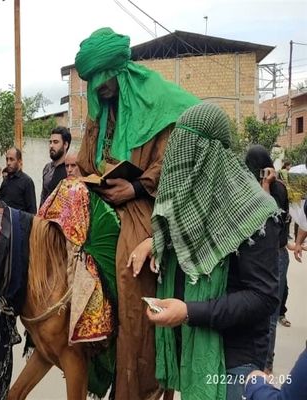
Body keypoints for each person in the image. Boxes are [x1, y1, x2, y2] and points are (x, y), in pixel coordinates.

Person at [74, 26, 200, 400]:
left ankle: (140, 387)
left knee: (131, 277)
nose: (101, 88)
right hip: (104, 200)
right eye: (94, 83)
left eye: (105, 79)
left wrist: (135, 186)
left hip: (147, 205)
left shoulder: (157, 98)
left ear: (119, 70)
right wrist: (93, 178)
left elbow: (173, 160)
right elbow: (86, 158)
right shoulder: (101, 108)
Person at [128, 103, 280, 400]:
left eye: (185, 155)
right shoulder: (201, 205)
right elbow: (180, 232)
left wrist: (188, 312)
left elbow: (263, 297)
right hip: (194, 349)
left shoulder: (255, 213)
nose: (176, 165)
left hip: (235, 364)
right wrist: (152, 242)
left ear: (207, 158)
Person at [245, 145, 290, 374]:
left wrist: (266, 186)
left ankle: (266, 366)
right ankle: (257, 361)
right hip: (261, 256)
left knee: (270, 314)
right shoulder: (250, 187)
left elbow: (269, 221)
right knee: (257, 311)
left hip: (276, 256)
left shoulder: (278, 189)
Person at [0, 148, 37, 214]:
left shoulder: (27, 182)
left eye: (11, 159)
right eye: (7, 159)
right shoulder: (5, 181)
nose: (8, 163)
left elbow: (32, 211)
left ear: (19, 161)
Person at [40, 126, 71, 205]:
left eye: (55, 142)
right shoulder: (47, 168)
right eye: (50, 142)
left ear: (65, 145)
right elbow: (44, 196)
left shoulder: (71, 169)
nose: (51, 145)